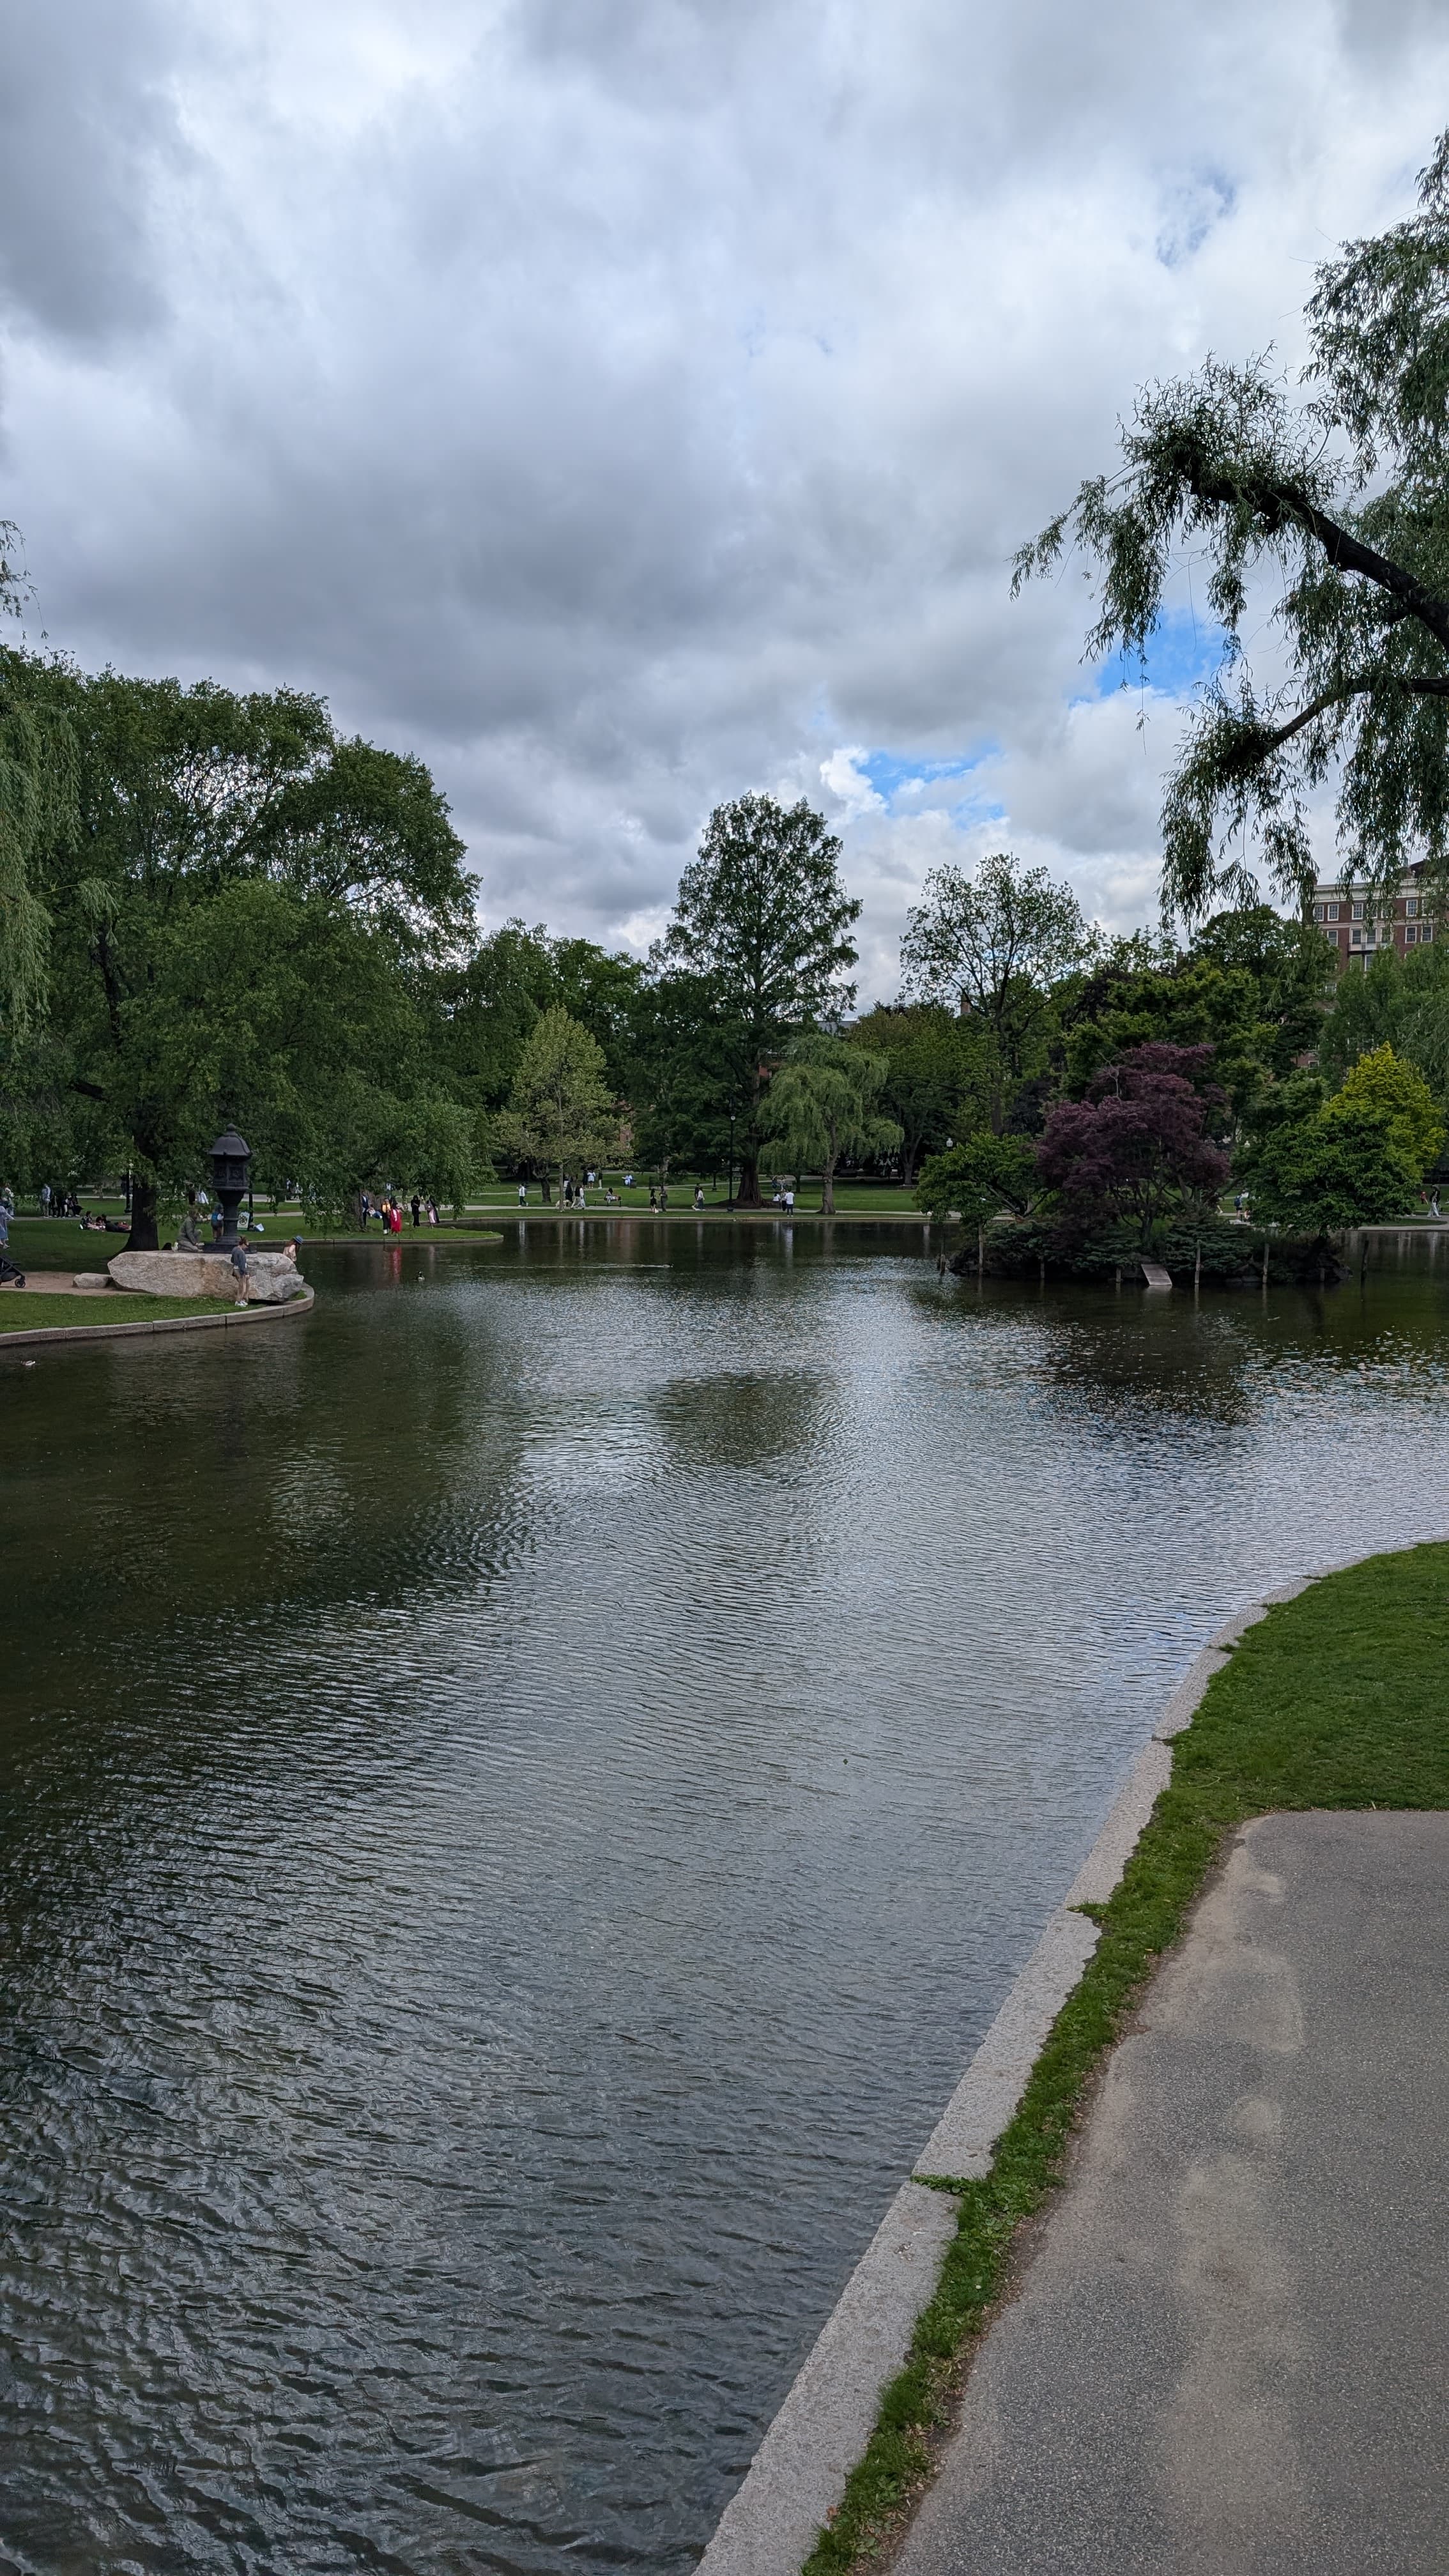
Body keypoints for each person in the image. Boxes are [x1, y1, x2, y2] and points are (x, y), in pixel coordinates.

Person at [230, 1237, 249, 1305]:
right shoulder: (241, 1252)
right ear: (243, 1244)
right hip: (240, 1271)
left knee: (243, 1285)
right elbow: (242, 1264)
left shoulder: (234, 1249)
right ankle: (238, 1301)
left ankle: (241, 1300)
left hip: (235, 1269)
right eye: (246, 1245)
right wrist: (246, 1273)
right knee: (242, 1287)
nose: (247, 1247)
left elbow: (232, 1260)